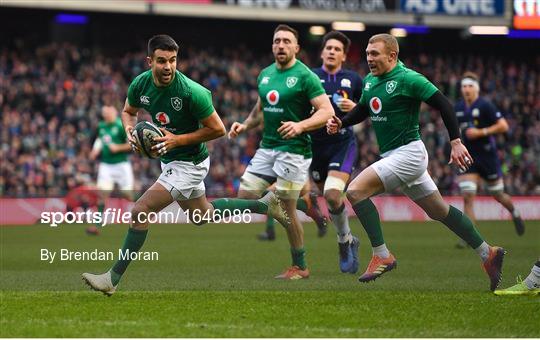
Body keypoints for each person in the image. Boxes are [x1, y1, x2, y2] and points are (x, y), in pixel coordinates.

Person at [82, 34, 287, 295]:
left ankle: (112, 279)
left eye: (173, 60)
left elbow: (218, 129)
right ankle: (265, 204)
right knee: (202, 216)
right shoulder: (140, 85)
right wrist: (129, 131)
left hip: (190, 162)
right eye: (161, 61)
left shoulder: (192, 92)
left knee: (140, 211)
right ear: (149, 61)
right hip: (172, 161)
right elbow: (127, 111)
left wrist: (177, 140)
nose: (168, 66)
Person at [327, 33, 505, 291]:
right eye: (367, 53)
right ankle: (488, 253)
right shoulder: (369, 81)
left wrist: (456, 141)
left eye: (375, 54)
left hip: (408, 154)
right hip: (395, 156)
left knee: (355, 191)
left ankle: (382, 254)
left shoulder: (408, 78)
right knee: (438, 211)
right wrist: (342, 122)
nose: (369, 58)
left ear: (392, 55)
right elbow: (365, 108)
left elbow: (443, 103)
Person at [229, 24, 334, 280]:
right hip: (268, 147)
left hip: (294, 151)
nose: (281, 45)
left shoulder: (305, 76)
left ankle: (300, 266)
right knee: (245, 197)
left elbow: (327, 111)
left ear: (296, 47)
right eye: (277, 41)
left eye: (287, 41)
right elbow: (260, 110)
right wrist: (245, 125)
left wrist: (300, 126)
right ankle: (301, 201)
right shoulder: (265, 74)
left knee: (285, 213)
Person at [455, 71, 524, 248]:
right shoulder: (458, 108)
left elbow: (503, 126)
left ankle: (514, 212)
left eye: (470, 86)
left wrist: (481, 132)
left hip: (487, 156)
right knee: (468, 196)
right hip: (468, 156)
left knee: (497, 194)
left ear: (476, 89)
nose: (466, 89)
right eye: (464, 86)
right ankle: (470, 236)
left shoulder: (486, 105)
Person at [85, 105, 134, 235]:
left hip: (121, 165)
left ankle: (148, 211)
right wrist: (95, 150)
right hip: (106, 165)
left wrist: (118, 148)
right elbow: (101, 139)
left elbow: (132, 144)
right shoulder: (101, 126)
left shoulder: (120, 126)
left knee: (128, 195)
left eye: (110, 112)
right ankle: (97, 225)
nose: (108, 115)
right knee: (102, 195)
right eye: (106, 113)